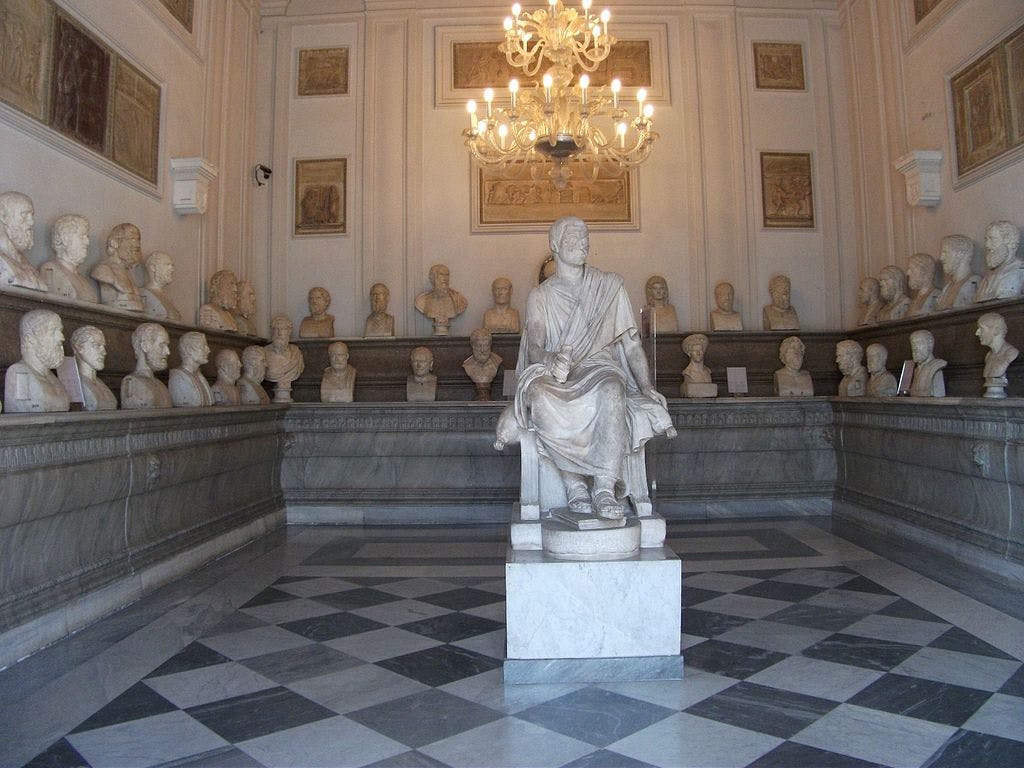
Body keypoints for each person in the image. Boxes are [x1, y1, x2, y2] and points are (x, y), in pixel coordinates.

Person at [506, 216, 675, 520]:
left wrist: (647, 388)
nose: (583, 243)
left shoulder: (609, 287)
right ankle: (574, 486)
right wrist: (550, 359)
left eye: (586, 238)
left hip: (600, 368)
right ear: (555, 245)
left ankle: (604, 487)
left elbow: (631, 345)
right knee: (541, 394)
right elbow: (534, 346)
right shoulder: (541, 296)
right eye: (573, 238)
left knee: (612, 389)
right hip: (560, 373)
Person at [3, 309, 70, 412]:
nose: (62, 337)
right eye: (53, 331)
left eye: (60, 331)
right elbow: (23, 417)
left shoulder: (52, 377)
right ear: (30, 339)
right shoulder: (19, 372)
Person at [39, 214, 99, 302]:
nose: (87, 242)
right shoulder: (50, 270)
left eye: (87, 237)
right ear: (65, 239)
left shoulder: (83, 281)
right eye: (82, 236)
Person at [91, 223, 145, 312]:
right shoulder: (103, 270)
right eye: (132, 239)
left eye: (138, 240)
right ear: (114, 243)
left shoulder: (128, 273)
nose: (137, 245)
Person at [0, 190, 47, 290]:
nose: (31, 222)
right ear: (3, 217)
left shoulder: (24, 261)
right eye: (24, 215)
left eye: (31, 215)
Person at [121, 323, 173, 409]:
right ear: (145, 346)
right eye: (162, 345)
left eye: (167, 345)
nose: (167, 351)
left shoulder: (160, 384)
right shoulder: (131, 382)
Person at [71, 325, 117, 410]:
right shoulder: (75, 382)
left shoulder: (100, 382)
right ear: (79, 347)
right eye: (96, 345)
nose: (104, 352)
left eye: (103, 346)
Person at [975, 221, 1023, 302]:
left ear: (1008, 241)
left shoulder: (1020, 271)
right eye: (986, 240)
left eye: (992, 239)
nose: (987, 245)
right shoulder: (987, 277)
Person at [414, 263, 468, 335]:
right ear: (432, 278)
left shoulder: (459, 300)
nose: (445, 278)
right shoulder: (421, 301)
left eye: (447, 275)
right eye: (441, 274)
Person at [975, 313, 1019, 399]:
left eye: (981, 329)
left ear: (996, 330)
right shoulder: (988, 356)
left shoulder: (1010, 352)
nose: (977, 333)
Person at [264, 314, 304, 402]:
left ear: (289, 331)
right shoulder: (264, 353)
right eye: (276, 329)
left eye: (283, 329)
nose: (279, 333)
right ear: (271, 332)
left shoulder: (296, 352)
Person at [169, 331, 214, 407]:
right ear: (189, 350)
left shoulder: (200, 376)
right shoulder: (178, 379)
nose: (208, 350)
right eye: (203, 346)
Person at [935, 234, 979, 310]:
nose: (941, 258)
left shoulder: (974, 283)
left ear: (960, 254)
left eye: (945, 252)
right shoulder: (947, 287)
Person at [140, 251, 182, 322]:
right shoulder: (143, 294)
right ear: (153, 268)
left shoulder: (167, 297)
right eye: (167, 264)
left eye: (172, 265)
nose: (172, 269)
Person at [462, 328, 502, 401]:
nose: (482, 350)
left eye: (486, 346)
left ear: (490, 345)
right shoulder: (467, 365)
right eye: (479, 346)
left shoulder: (497, 361)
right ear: (472, 345)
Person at [909, 329, 946, 397]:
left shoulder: (937, 366)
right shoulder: (916, 370)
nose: (915, 347)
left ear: (930, 344)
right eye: (913, 344)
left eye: (919, 343)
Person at [680, 333, 716, 397]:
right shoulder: (688, 373)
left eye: (700, 350)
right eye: (695, 351)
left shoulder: (708, 371)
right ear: (689, 354)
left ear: (704, 352)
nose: (698, 353)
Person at [906, 253, 940, 317]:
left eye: (912, 269)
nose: (908, 273)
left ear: (924, 271)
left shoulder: (937, 296)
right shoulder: (914, 301)